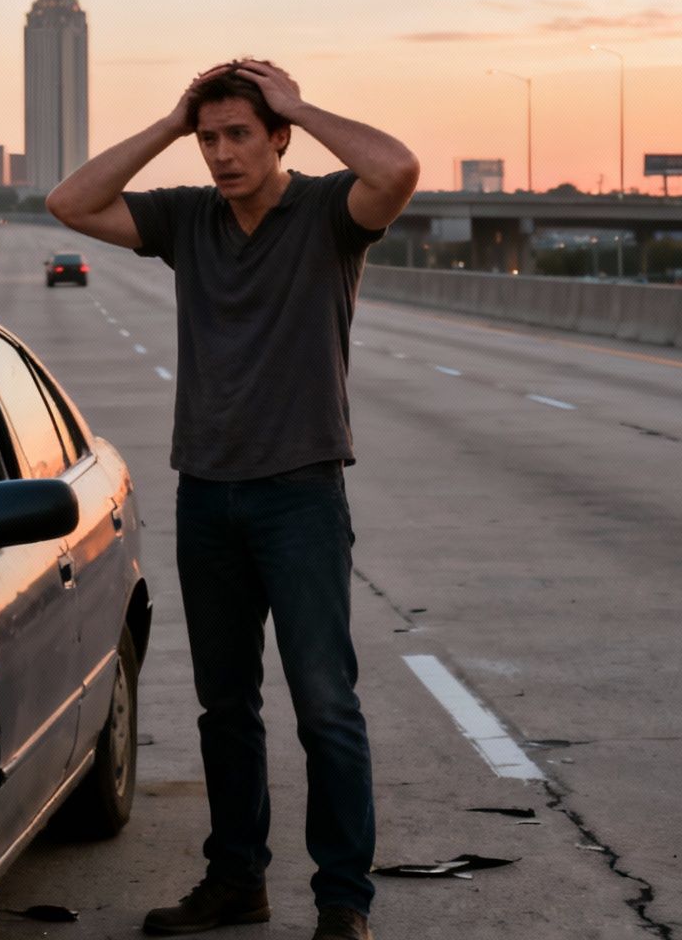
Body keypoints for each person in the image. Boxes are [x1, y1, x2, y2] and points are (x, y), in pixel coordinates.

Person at [46, 59, 418, 940]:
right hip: (208, 492)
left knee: (325, 702)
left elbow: (398, 170)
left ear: (278, 134)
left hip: (301, 495)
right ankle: (236, 880)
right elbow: (70, 202)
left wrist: (298, 102)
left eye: (238, 134)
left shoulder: (330, 214)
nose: (221, 153)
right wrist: (171, 123)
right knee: (225, 706)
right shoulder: (188, 218)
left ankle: (342, 902)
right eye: (210, 138)